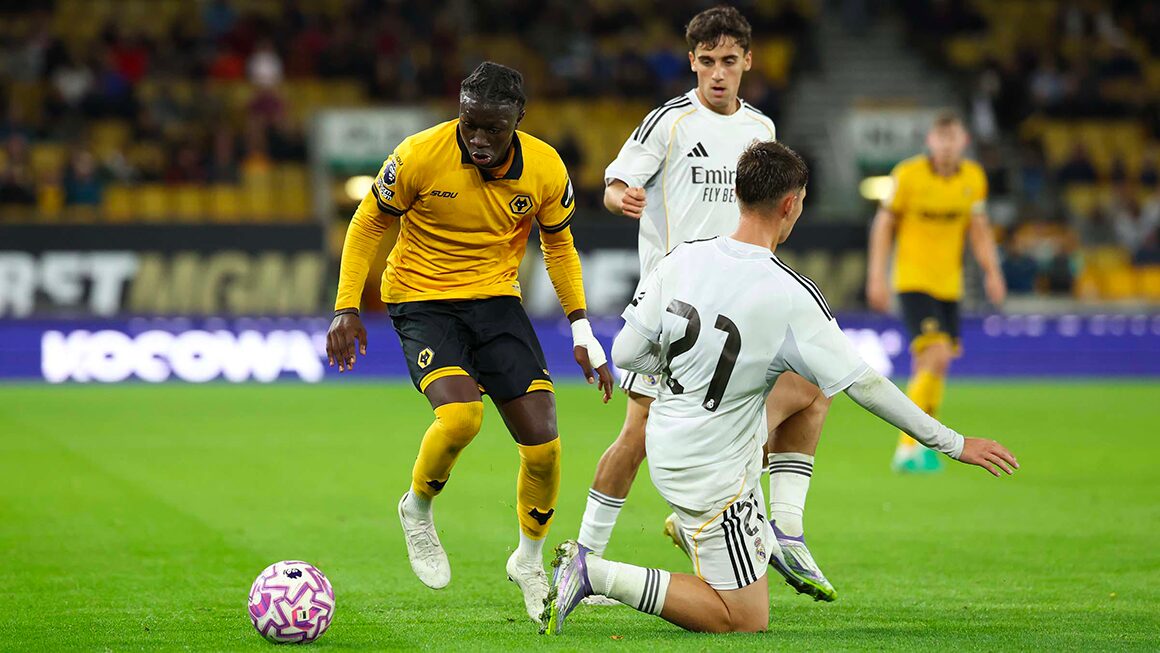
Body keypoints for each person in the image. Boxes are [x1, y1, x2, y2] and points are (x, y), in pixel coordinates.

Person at [542, 140, 1018, 635]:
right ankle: (594, 573)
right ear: (791, 204)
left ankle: (783, 530)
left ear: (737, 194)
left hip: (668, 437)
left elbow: (625, 353)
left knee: (812, 385)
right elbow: (866, 383)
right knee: (743, 619)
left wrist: (678, 374)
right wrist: (953, 443)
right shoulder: (791, 293)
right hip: (714, 474)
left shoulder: (683, 257)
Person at [325, 61, 615, 622]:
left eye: (493, 128)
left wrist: (582, 328)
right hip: (420, 297)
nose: (478, 138)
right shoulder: (419, 154)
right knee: (461, 418)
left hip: (495, 300)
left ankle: (528, 559)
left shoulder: (545, 168)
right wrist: (346, 306)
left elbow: (558, 246)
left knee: (544, 445)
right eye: (470, 123)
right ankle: (417, 507)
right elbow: (368, 223)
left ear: (518, 120)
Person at [579, 5, 838, 602]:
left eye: (728, 61)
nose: (717, 73)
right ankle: (587, 556)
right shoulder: (668, 122)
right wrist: (621, 198)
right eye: (706, 61)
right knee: (638, 432)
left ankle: (771, 530)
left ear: (748, 60)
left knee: (799, 392)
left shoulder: (761, 128)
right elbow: (616, 183)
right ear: (691, 61)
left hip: (739, 306)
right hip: (674, 311)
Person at [866, 110, 1006, 472]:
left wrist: (992, 272)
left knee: (933, 366)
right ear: (930, 141)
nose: (946, 146)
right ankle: (906, 448)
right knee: (937, 354)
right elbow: (884, 225)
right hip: (913, 281)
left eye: (952, 139)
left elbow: (978, 229)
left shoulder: (973, 178)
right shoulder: (907, 175)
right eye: (940, 139)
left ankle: (920, 446)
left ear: (964, 142)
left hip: (949, 287)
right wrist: (877, 276)